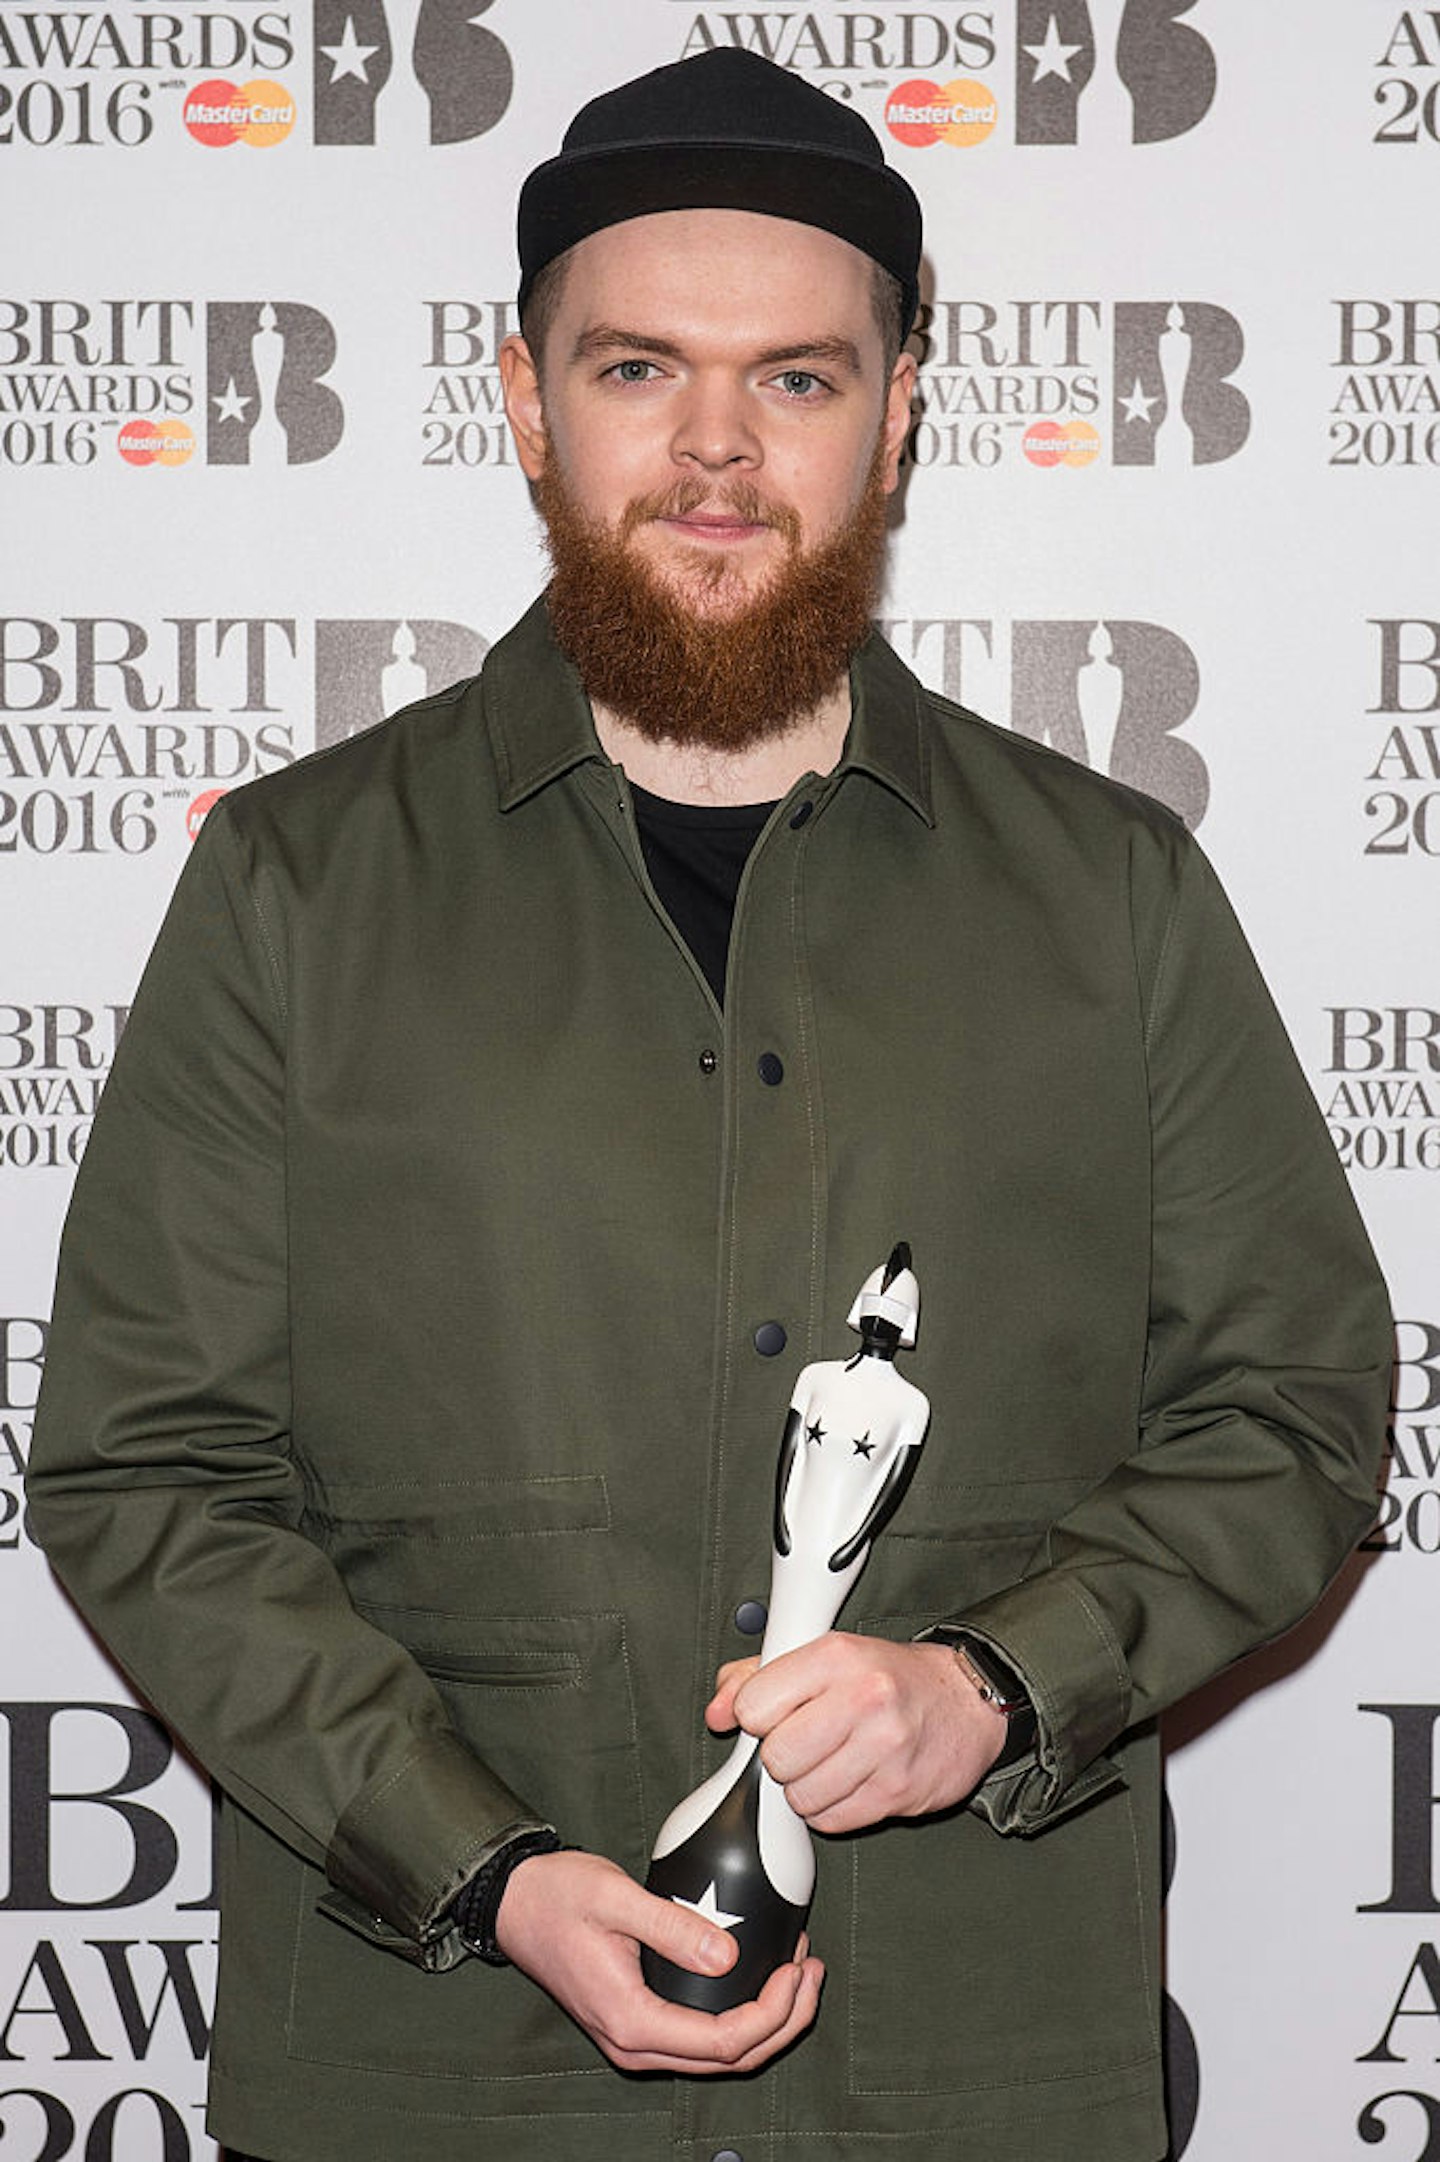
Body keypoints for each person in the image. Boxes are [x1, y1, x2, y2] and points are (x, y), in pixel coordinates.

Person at [27, 47, 1391, 2162]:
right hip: (436, 2080)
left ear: (905, 404)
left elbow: (1296, 1405)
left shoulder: (1114, 894)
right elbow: (143, 1463)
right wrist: (478, 1867)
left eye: (803, 378)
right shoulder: (294, 886)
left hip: (977, 2077)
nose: (718, 450)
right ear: (525, 398)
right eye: (642, 367)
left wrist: (993, 1688)